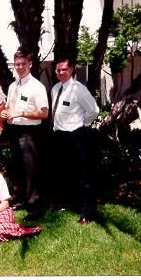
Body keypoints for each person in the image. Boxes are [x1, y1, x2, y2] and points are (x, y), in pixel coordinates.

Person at [49, 57, 99, 224]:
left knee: (83, 175)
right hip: (59, 136)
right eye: (58, 70)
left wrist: (81, 124)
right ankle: (67, 204)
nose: (61, 72)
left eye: (64, 69)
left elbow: (93, 110)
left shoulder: (79, 89)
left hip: (76, 135)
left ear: (71, 70)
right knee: (64, 172)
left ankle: (87, 212)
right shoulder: (55, 88)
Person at [0, 48, 48, 218]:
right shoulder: (13, 86)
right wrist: (6, 112)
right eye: (17, 64)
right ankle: (22, 199)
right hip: (14, 130)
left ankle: (35, 207)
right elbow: (9, 107)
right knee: (17, 167)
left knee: (31, 170)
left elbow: (44, 113)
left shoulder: (37, 87)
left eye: (23, 64)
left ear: (30, 64)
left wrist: (20, 113)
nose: (20, 67)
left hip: (30, 132)